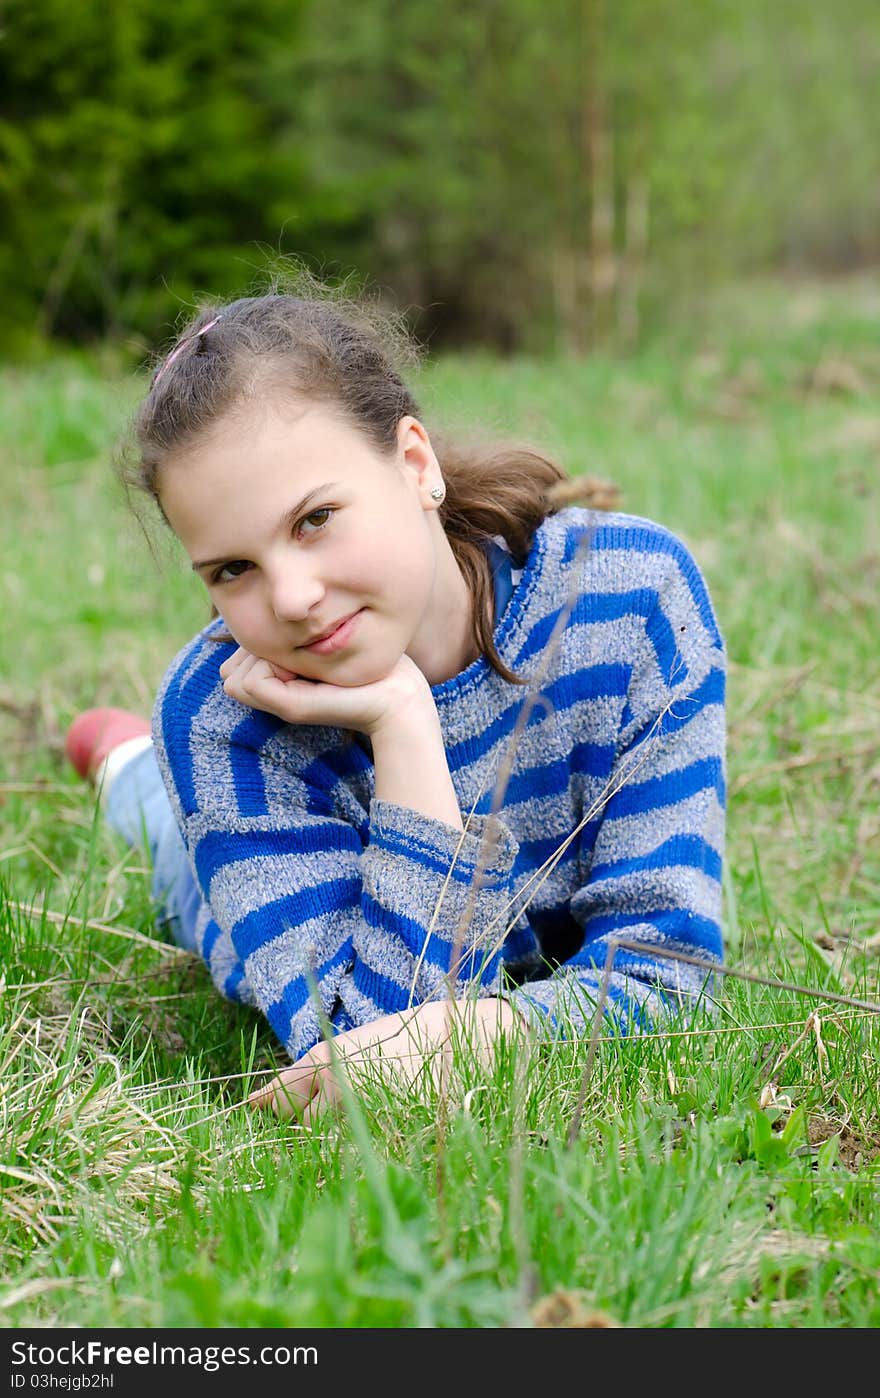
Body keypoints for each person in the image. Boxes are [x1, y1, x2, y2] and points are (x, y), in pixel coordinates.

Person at [66, 283, 726, 1123]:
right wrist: (403, 728)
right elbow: (373, 1053)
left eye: (315, 519)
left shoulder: (630, 599)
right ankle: (126, 765)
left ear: (415, 463)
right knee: (163, 824)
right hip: (223, 887)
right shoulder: (219, 721)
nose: (295, 599)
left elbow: (670, 973)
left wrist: (493, 1033)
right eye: (233, 569)